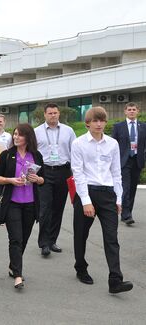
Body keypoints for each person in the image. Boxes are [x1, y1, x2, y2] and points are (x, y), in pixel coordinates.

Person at [71, 106, 133, 294]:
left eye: (102, 120)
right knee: (81, 235)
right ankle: (80, 267)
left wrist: (119, 198)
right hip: (86, 192)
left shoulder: (112, 144)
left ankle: (115, 280)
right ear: (88, 123)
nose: (99, 124)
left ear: (106, 123)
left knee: (111, 237)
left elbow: (116, 173)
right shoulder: (79, 143)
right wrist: (86, 200)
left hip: (108, 194)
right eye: (95, 121)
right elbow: (78, 173)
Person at [0, 124, 45, 289]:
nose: (15, 137)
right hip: (12, 204)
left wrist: (38, 179)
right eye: (14, 134)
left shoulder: (36, 156)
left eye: (19, 135)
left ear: (27, 137)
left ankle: (13, 265)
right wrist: (10, 180)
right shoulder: (7, 155)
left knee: (23, 238)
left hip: (31, 204)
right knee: (15, 238)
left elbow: (43, 179)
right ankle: (18, 275)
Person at [34, 103, 76, 257]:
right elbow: (32, 153)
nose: (53, 115)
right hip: (44, 172)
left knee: (58, 208)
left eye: (55, 113)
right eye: (50, 113)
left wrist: (75, 172)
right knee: (45, 208)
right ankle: (44, 243)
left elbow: (75, 152)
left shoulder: (68, 131)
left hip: (63, 171)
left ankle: (52, 240)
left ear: (59, 114)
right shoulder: (37, 131)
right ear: (45, 115)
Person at [111, 102, 146, 225]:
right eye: (129, 109)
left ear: (138, 111)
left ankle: (127, 212)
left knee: (132, 189)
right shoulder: (118, 126)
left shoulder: (143, 126)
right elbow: (112, 145)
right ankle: (126, 215)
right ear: (125, 112)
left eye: (134, 109)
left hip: (137, 160)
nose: (131, 111)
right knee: (125, 187)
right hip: (123, 161)